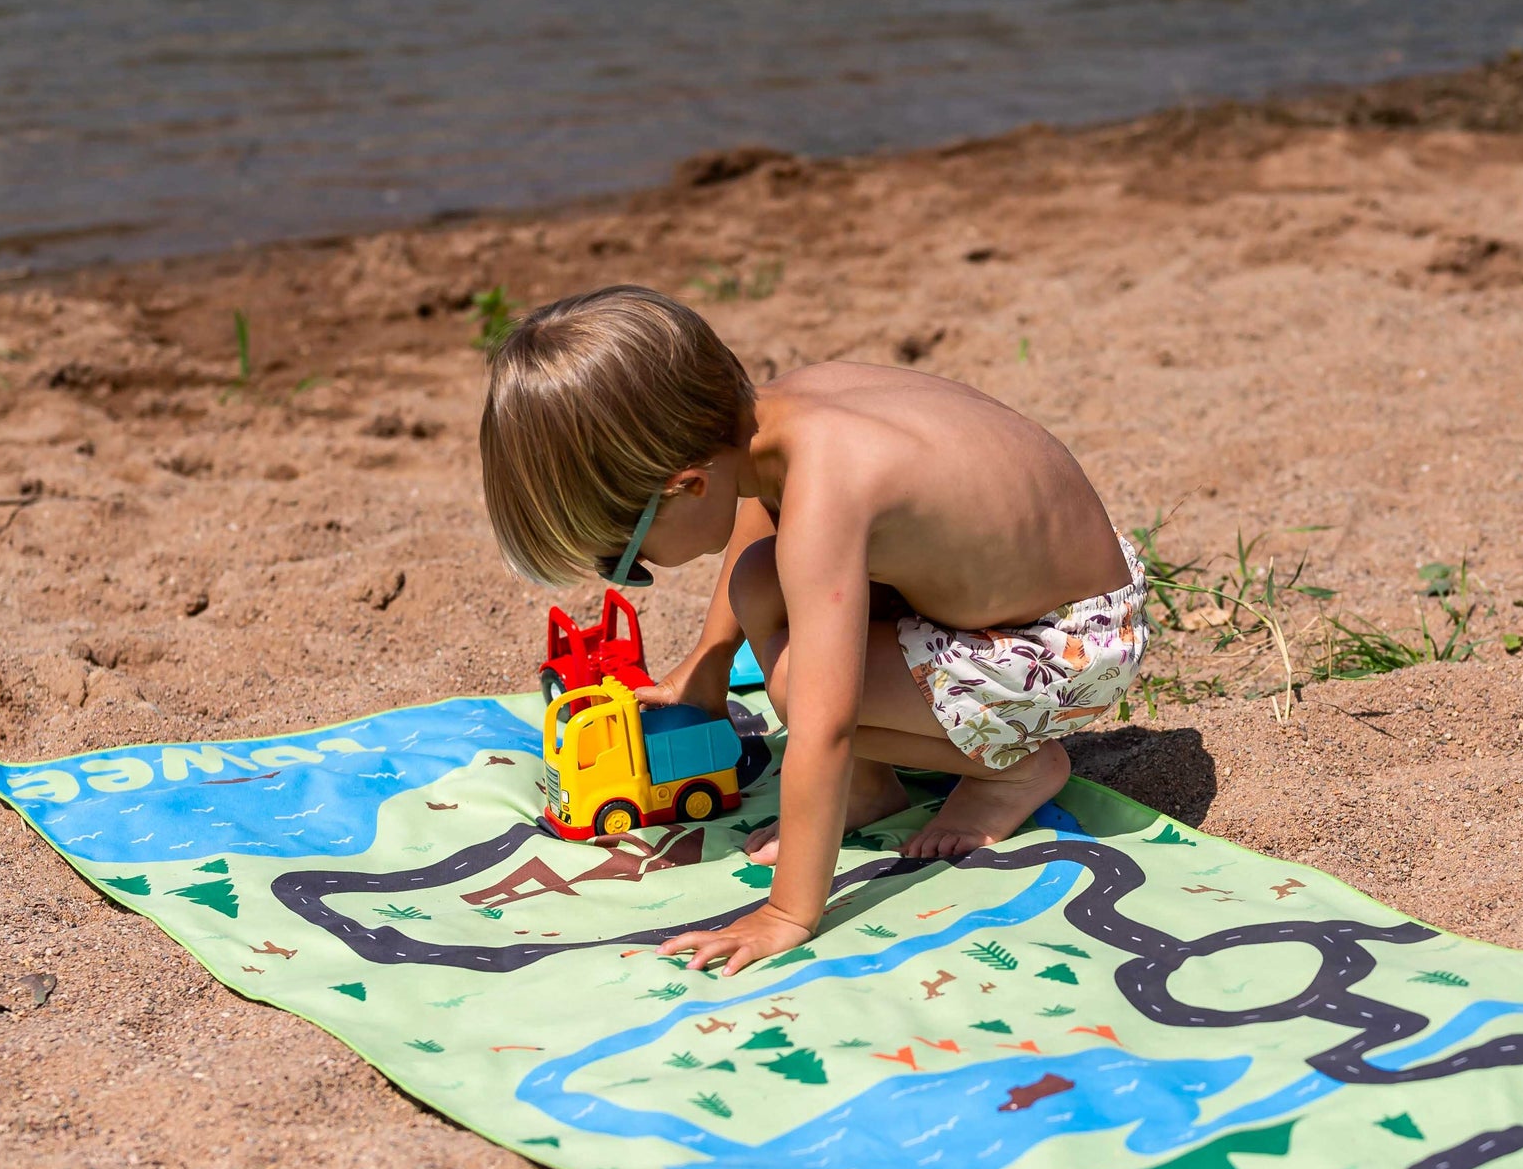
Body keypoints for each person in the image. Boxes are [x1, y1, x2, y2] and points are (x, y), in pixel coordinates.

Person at [480, 285, 1146, 974]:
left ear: (688, 486)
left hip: (1065, 646)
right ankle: (870, 791)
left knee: (801, 690)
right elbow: (754, 514)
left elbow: (824, 726)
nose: (636, 573)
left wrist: (786, 912)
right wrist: (709, 660)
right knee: (762, 579)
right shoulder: (783, 418)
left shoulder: (829, 488)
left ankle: (1017, 768)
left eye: (629, 561)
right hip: (1051, 594)